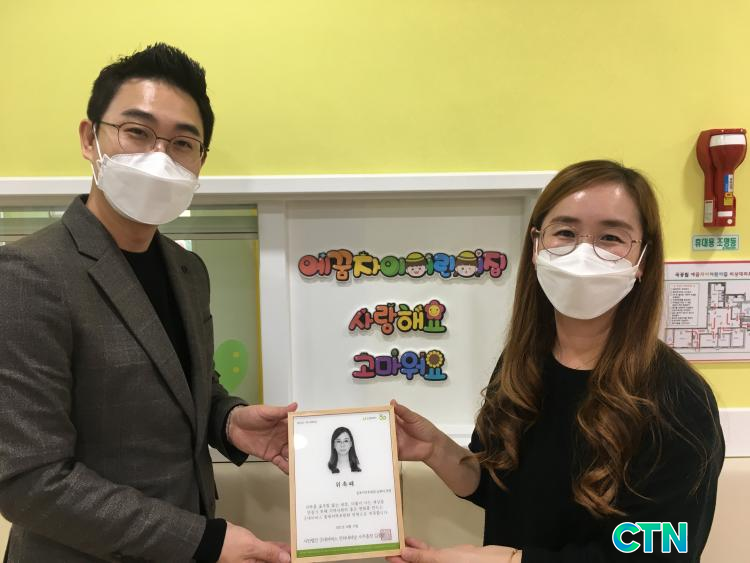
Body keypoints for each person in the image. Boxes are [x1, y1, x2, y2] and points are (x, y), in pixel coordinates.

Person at [0, 44, 295, 563]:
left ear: (200, 160)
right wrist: (202, 541)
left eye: (182, 143)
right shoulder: (29, 274)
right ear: (90, 138)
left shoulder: (188, 270)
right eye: (137, 132)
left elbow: (187, 384)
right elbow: (28, 479)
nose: (159, 158)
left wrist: (228, 420)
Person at [388, 160, 724, 562]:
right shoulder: (521, 366)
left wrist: (511, 561)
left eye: (611, 237)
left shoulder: (680, 399)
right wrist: (435, 449)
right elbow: (497, 487)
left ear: (643, 261)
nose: (583, 253)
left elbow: (660, 552)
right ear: (536, 247)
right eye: (565, 232)